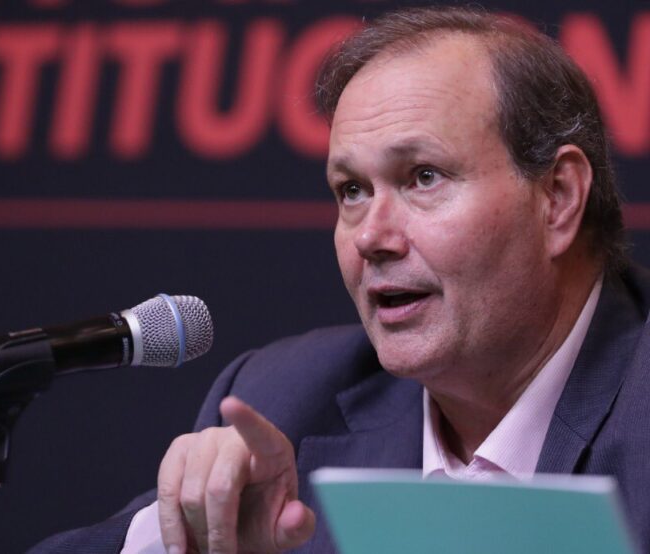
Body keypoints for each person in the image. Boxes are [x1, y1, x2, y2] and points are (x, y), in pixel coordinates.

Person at [32, 6, 650, 553]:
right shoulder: (284, 401)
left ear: (558, 198)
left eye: (423, 177)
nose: (370, 237)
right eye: (352, 190)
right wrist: (187, 541)